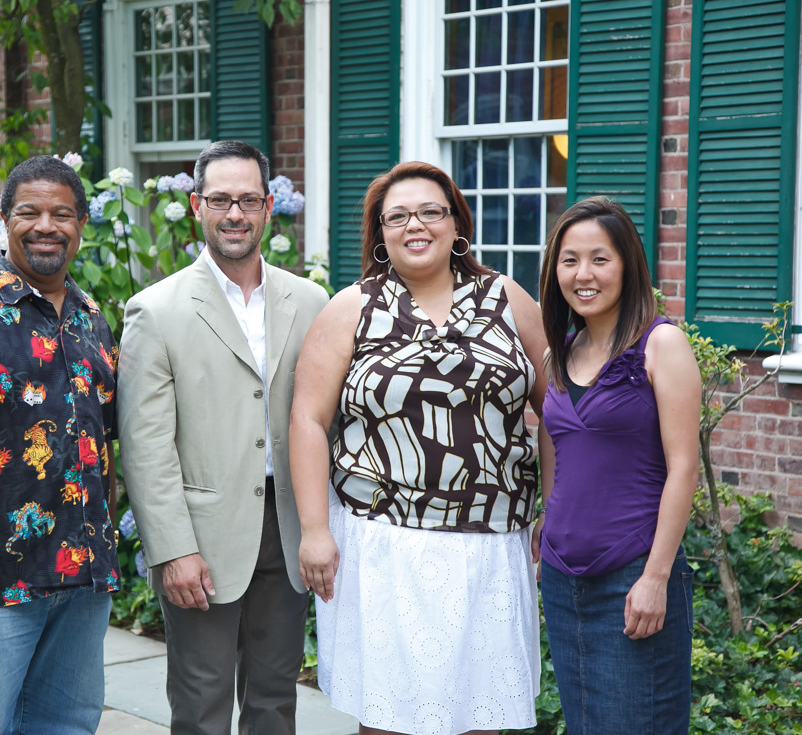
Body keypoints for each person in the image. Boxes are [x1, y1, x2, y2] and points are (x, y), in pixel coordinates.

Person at [290, 161, 547, 735]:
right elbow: (308, 419)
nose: (416, 225)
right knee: (388, 716)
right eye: (397, 216)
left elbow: (560, 412)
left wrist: (549, 508)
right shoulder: (352, 306)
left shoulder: (507, 298)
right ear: (380, 234)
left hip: (489, 546)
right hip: (383, 544)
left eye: (431, 211)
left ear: (458, 224)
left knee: (483, 712)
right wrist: (314, 530)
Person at [117, 140, 328, 735]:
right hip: (201, 539)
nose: (234, 214)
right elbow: (145, 446)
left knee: (274, 701)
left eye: (248, 201)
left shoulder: (311, 302)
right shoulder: (155, 310)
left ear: (268, 209)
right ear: (195, 206)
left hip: (286, 530)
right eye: (220, 200)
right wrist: (172, 549)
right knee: (202, 705)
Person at [0, 156, 120, 735]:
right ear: (5, 219)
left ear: (82, 223)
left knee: (68, 725)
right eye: (29, 211)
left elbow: (100, 443)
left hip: (84, 577)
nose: (46, 226)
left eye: (62, 213)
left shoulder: (90, 318)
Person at [534, 196, 699, 734]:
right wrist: (547, 523)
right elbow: (556, 445)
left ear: (627, 264)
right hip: (563, 577)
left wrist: (656, 577)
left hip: (631, 572)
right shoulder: (563, 349)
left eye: (599, 259)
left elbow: (683, 468)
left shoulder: (662, 344)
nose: (583, 274)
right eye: (569, 259)